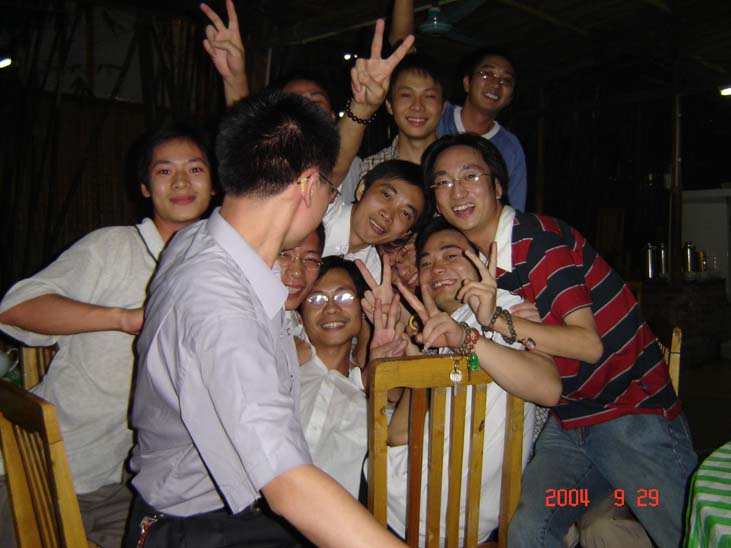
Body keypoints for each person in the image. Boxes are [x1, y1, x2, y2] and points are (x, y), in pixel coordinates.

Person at [125, 90, 407, 548]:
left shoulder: (198, 240)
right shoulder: (222, 306)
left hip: (213, 509)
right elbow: (289, 486)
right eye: (331, 190)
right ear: (308, 185)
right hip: (190, 526)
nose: (328, 200)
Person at [420, 132, 697, 547]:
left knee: (686, 534)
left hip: (630, 414)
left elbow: (587, 345)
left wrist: (498, 322)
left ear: (498, 186)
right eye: (442, 182)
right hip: (570, 421)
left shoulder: (537, 241)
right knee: (529, 532)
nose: (456, 191)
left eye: (470, 176)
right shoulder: (484, 267)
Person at [0, 122, 215, 548]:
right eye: (165, 171)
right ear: (145, 187)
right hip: (39, 471)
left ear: (215, 184)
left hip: (129, 488)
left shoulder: (214, 268)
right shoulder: (113, 248)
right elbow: (15, 309)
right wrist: (123, 318)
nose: (181, 182)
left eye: (195, 169)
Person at [368, 218, 559, 545]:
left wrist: (463, 340)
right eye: (426, 262)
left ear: (481, 261)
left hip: (417, 517)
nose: (436, 268)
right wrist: (417, 360)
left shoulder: (502, 310)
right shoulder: (451, 323)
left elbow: (548, 388)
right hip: (404, 503)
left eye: (451, 255)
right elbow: (402, 430)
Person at [201, 0, 415, 204]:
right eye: (295, 103)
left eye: (316, 100)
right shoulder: (266, 172)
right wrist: (234, 78)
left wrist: (364, 106)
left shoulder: (355, 169)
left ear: (332, 116)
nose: (307, 108)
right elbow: (247, 149)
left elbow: (330, 171)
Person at [388, 0, 528, 211]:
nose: (495, 84)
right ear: (467, 83)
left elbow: (514, 211)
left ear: (511, 96)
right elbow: (402, 51)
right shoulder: (437, 114)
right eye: (487, 74)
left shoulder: (510, 147)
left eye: (505, 80)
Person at [297, 256, 369, 499]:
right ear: (300, 313)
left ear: (363, 309)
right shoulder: (280, 368)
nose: (331, 309)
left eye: (344, 297)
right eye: (316, 299)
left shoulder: (370, 393)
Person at [322, 159, 431, 282]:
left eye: (405, 213)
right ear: (362, 189)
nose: (388, 215)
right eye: (386, 195)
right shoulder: (321, 210)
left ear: (406, 232)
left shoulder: (373, 275)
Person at [359, 52, 445, 176]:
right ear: (389, 105)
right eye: (406, 95)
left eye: (429, 96)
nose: (417, 106)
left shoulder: (459, 162)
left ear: (443, 107)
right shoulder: (371, 168)